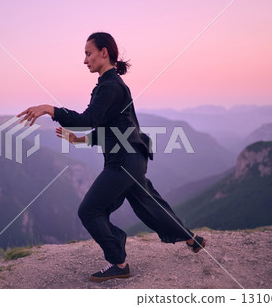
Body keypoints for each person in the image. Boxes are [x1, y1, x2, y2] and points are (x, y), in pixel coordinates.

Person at [17, 32, 206, 282]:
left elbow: (88, 120)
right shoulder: (112, 85)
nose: (85, 60)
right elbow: (113, 127)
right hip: (134, 159)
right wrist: (80, 140)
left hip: (123, 162)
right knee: (149, 204)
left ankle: (119, 262)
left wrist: (49, 109)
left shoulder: (110, 86)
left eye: (88, 53)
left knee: (89, 210)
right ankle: (192, 239)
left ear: (103, 52)